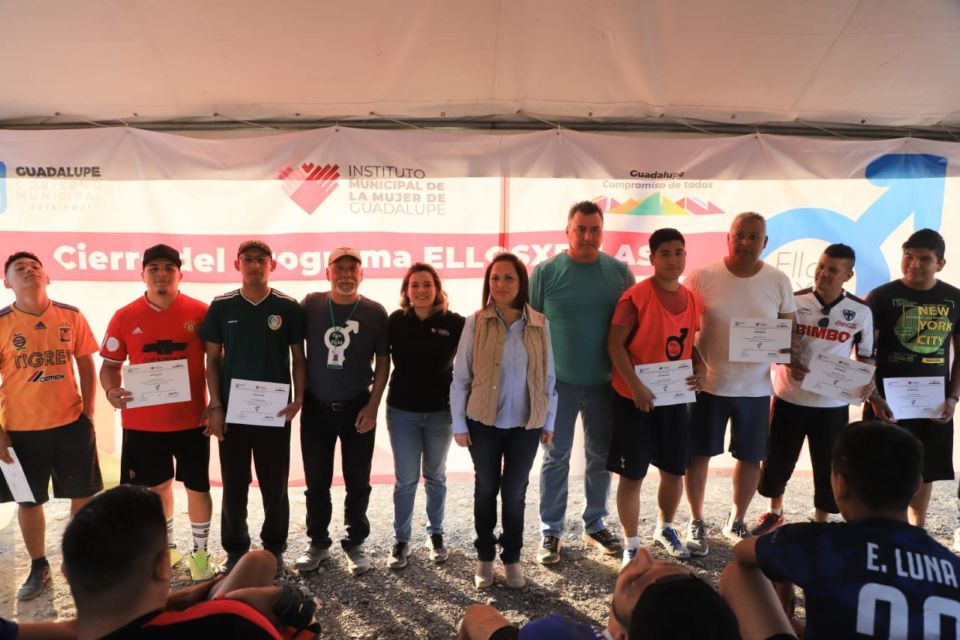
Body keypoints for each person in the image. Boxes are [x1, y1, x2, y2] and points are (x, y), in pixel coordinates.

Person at [731, 420, 960, 639]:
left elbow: (742, 552)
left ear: (840, 485)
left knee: (736, 574)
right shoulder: (953, 567)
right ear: (917, 486)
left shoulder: (817, 543)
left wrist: (782, 571)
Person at [62, 485, 319, 639]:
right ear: (163, 567)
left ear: (66, 573)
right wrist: (286, 604)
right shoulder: (233, 620)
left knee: (259, 561)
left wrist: (178, 601)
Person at [99, 244, 214, 580]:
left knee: (197, 488)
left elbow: (216, 362)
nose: (161, 274)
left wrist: (215, 403)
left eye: (168, 268)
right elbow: (109, 366)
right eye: (154, 268)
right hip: (142, 424)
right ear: (143, 274)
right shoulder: (124, 316)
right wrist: (111, 391)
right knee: (155, 490)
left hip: (192, 421)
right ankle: (166, 548)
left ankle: (201, 554)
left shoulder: (201, 312)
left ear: (180, 274)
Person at [683, 212, 796, 554]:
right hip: (708, 386)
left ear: (765, 241)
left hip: (756, 389)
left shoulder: (778, 280)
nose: (746, 242)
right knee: (698, 455)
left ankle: (737, 519)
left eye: (754, 236)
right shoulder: (701, 276)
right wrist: (694, 362)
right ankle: (696, 520)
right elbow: (683, 328)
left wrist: (783, 350)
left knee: (750, 457)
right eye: (740, 235)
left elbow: (788, 330)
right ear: (728, 239)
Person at [532, 200, 635, 565]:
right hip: (557, 384)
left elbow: (633, 330)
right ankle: (551, 530)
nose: (588, 236)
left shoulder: (620, 273)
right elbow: (532, 329)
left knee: (600, 457)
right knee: (555, 456)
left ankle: (595, 523)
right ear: (568, 231)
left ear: (602, 233)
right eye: (581, 229)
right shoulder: (545, 272)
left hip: (606, 383)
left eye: (595, 230)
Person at [0, 251, 102, 601]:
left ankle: (76, 560)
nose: (29, 271)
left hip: (71, 424)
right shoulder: (2, 323)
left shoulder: (71, 315)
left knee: (83, 495)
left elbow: (86, 363)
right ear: (7, 282)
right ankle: (38, 564)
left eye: (35, 267)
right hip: (21, 431)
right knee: (29, 501)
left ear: (48, 277)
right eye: (20, 269)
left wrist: (88, 412)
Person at [752, 244, 874, 535]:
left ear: (848, 275)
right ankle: (774, 512)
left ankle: (821, 521)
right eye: (821, 266)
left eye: (833, 269)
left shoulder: (860, 311)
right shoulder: (794, 301)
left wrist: (866, 378)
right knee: (778, 461)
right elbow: (775, 344)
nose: (824, 273)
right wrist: (787, 359)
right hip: (789, 397)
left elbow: (866, 354)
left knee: (827, 466)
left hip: (832, 405)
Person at [199, 240, 306, 575]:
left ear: (272, 265)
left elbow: (298, 359)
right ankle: (235, 549)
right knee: (233, 483)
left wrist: (298, 398)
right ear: (237, 264)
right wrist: (216, 404)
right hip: (233, 411)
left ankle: (274, 548)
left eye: (262, 260)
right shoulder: (222, 306)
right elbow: (211, 361)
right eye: (248, 259)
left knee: (275, 484)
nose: (255, 265)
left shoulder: (287, 307)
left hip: (274, 412)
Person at [451, 253, 557, 589]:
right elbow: (461, 376)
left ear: (521, 282)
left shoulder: (540, 323)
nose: (501, 284)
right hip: (482, 423)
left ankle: (511, 558)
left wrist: (549, 421)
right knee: (486, 489)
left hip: (526, 425)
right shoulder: (476, 322)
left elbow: (549, 377)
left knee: (514, 493)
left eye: (509, 277)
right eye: (495, 278)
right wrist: (459, 423)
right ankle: (484, 557)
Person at [607, 228, 704, 565]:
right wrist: (635, 386)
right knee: (632, 474)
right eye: (665, 253)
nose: (673, 260)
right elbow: (615, 345)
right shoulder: (635, 297)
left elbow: (688, 344)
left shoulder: (691, 299)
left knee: (675, 470)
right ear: (652, 258)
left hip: (673, 399)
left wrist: (701, 365)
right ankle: (631, 544)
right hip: (635, 399)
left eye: (678, 252)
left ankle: (665, 527)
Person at [295, 247, 389, 577]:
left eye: (353, 269)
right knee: (316, 482)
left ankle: (355, 542)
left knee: (358, 481)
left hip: (357, 408)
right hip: (316, 409)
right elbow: (294, 351)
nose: (346, 274)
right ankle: (318, 542)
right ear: (327, 273)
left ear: (362, 275)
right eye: (339, 268)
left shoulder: (375, 312)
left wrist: (373, 406)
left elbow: (384, 362)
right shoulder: (311, 304)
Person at [865, 228, 960, 529]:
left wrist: (953, 398)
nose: (914, 264)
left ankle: (916, 530)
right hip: (887, 403)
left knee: (924, 470)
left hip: (932, 405)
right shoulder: (881, 297)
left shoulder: (955, 299)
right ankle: (880, 531)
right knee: (879, 468)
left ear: (940, 263)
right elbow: (866, 354)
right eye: (908, 256)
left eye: (924, 259)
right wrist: (874, 397)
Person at [457, 548, 742, 640]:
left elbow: (476, 616)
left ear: (623, 636)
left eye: (638, 580)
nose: (643, 555)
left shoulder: (555, 634)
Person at [385, 263, 464, 569]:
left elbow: (474, 359)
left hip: (440, 414)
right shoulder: (396, 321)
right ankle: (401, 540)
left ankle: (436, 535)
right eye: (414, 285)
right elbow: (379, 359)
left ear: (437, 288)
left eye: (427, 284)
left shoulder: (454, 322)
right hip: (402, 412)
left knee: (435, 476)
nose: (421, 290)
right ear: (406, 290)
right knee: (405, 480)